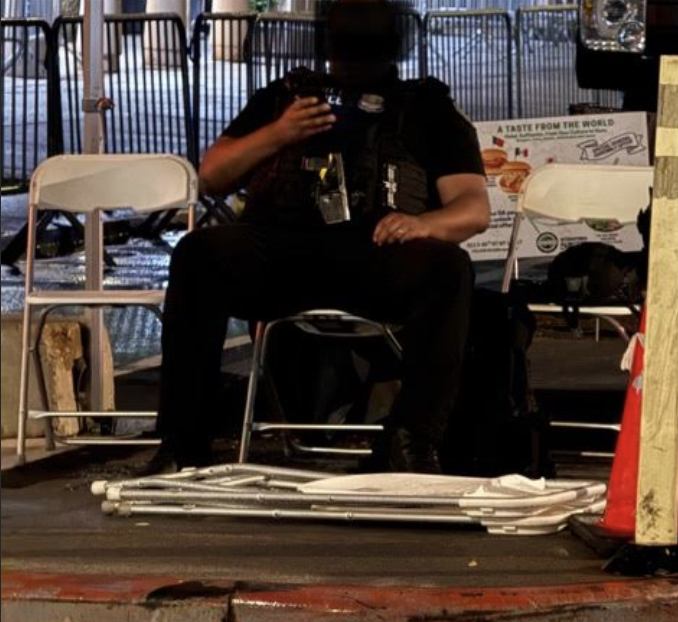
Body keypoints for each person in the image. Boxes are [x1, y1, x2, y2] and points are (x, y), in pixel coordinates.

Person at [150, 0, 490, 474]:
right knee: (198, 253)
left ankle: (412, 440)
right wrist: (278, 133)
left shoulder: (426, 106)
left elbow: (473, 208)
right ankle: (182, 443)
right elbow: (211, 175)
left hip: (373, 255)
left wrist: (424, 225)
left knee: (449, 268)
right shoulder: (286, 98)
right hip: (283, 252)